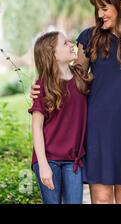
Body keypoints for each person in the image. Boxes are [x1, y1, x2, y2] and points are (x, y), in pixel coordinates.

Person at [31, 0, 121, 204]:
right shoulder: (90, 37)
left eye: (105, 8)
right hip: (98, 129)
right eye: (98, 8)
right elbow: (72, 75)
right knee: (102, 199)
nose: (100, 13)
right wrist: (41, 84)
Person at [29, 31, 91, 204]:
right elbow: (37, 127)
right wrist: (42, 165)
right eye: (65, 43)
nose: (71, 44)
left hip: (73, 160)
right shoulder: (43, 84)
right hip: (49, 159)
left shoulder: (81, 77)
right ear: (52, 54)